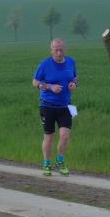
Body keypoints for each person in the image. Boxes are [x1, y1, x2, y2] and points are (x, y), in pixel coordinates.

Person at [32, 38, 78, 176]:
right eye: (56, 50)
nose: (59, 53)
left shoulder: (71, 62)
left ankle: (60, 161)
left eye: (61, 50)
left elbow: (75, 78)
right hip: (47, 106)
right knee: (49, 136)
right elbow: (35, 82)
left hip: (67, 105)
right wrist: (49, 87)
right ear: (51, 50)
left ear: (65, 50)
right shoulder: (45, 64)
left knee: (65, 136)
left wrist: (74, 84)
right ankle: (46, 163)